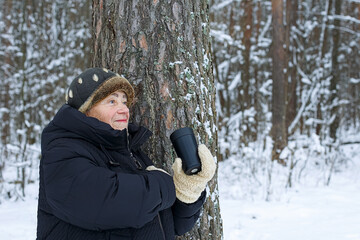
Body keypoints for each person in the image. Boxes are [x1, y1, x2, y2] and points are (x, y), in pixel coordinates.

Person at [36, 67, 216, 240]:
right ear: (86, 110)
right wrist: (164, 183)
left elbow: (171, 225)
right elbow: (107, 202)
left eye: (124, 101)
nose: (124, 109)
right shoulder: (63, 150)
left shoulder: (130, 153)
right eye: (112, 101)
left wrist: (188, 193)